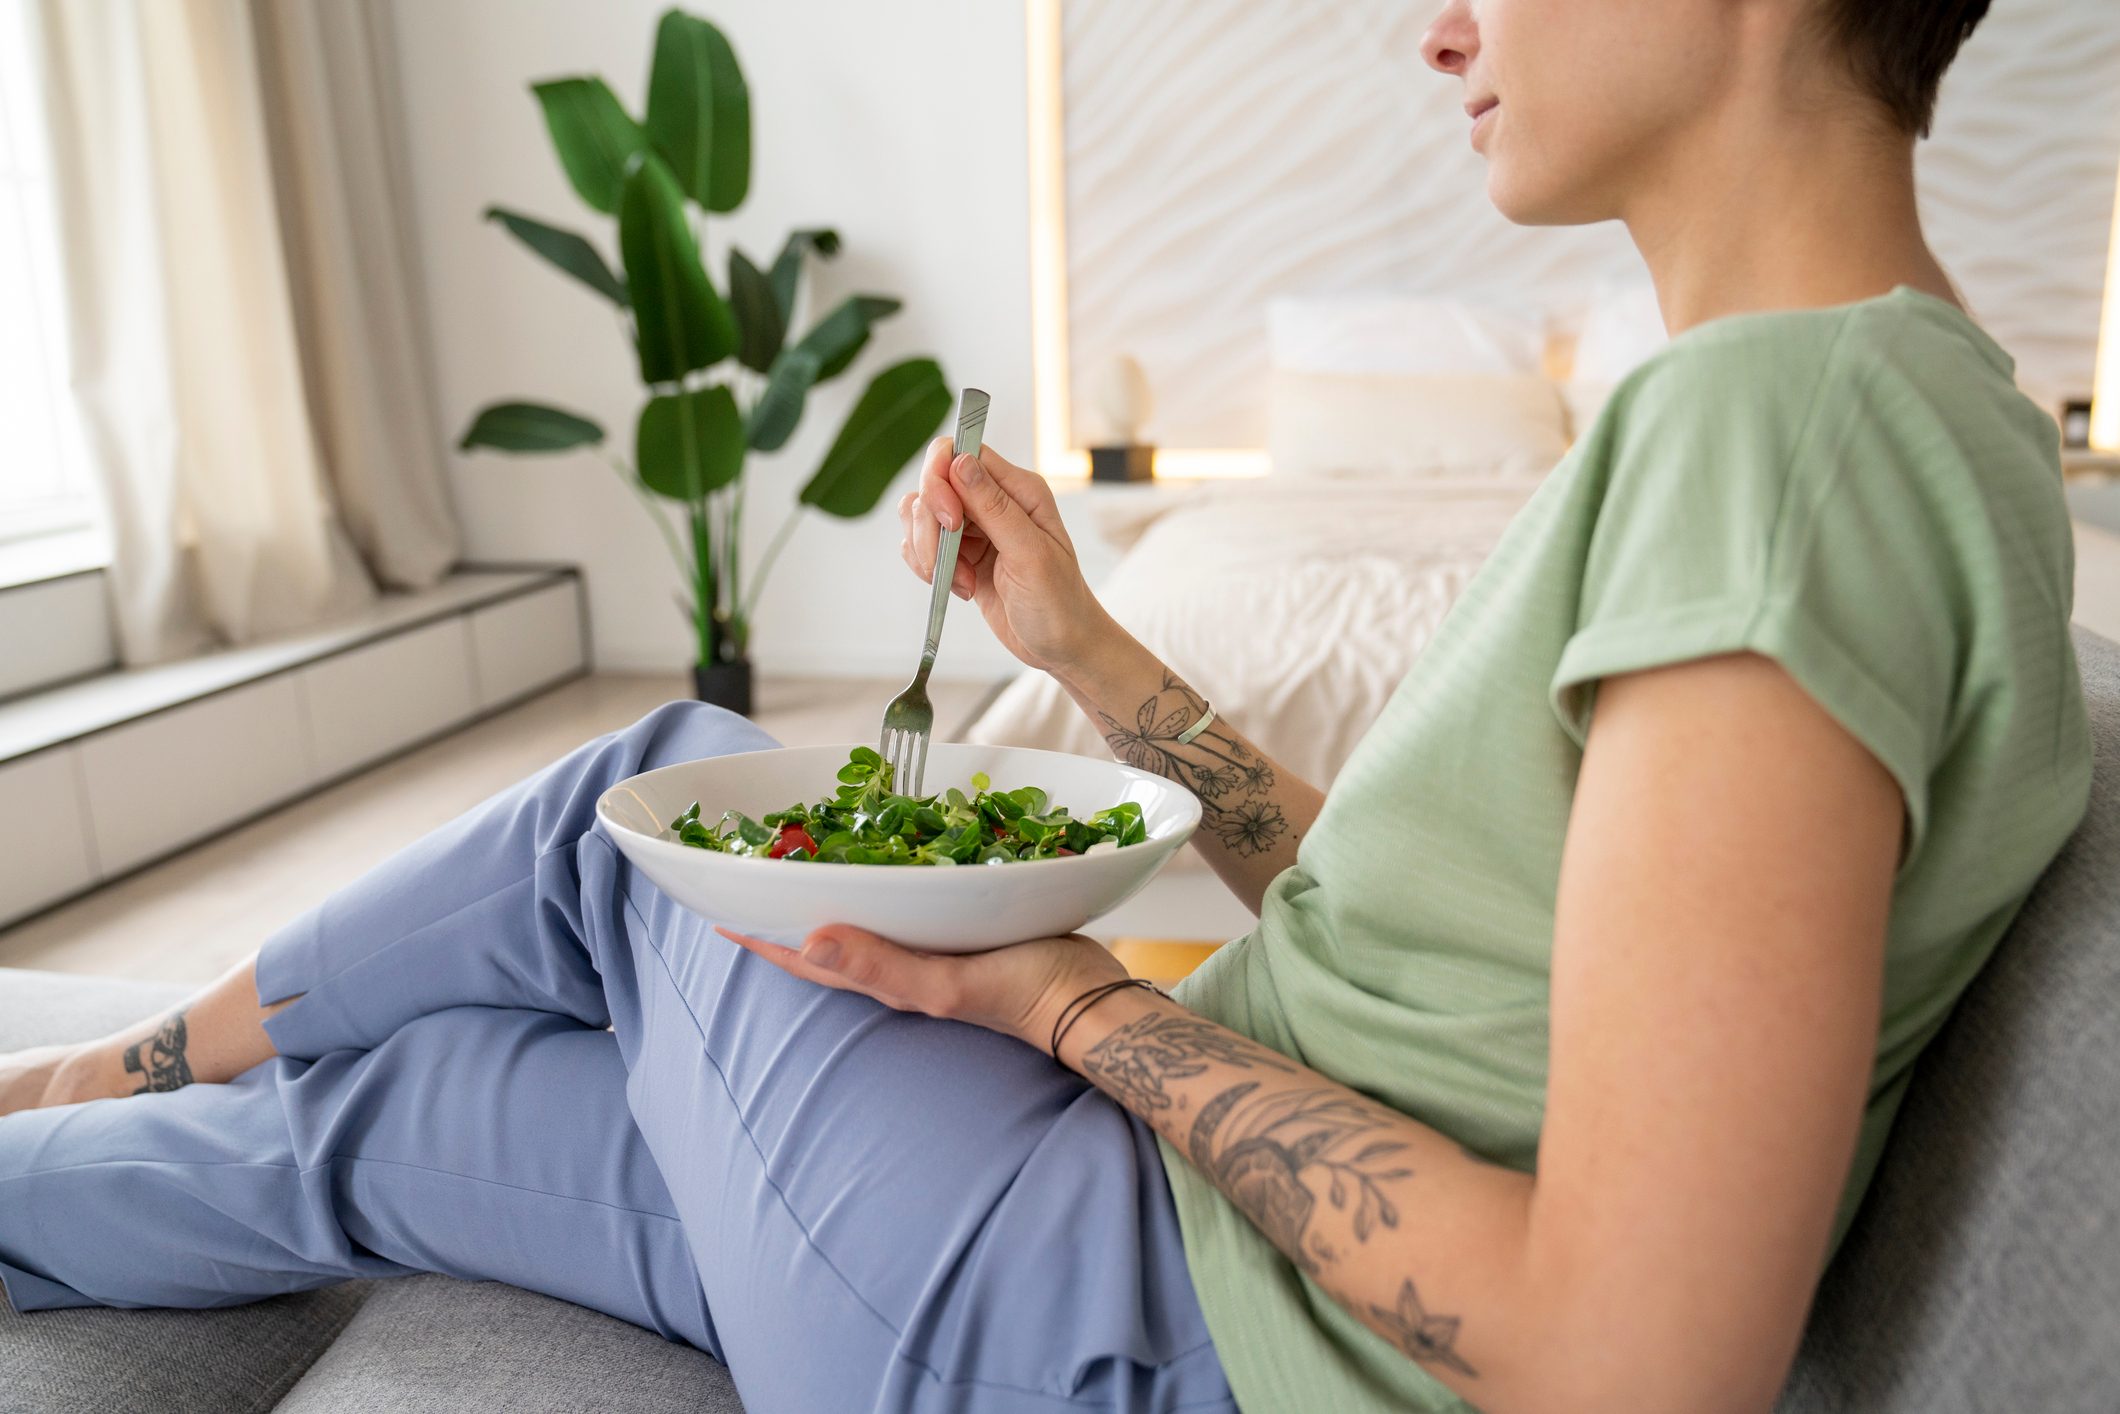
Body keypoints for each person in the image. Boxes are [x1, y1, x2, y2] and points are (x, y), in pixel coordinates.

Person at [0, 0, 2091, 1408]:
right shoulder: (1880, 411)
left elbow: (1640, 1358)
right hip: (1117, 1261)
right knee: (394, 1115)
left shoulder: (1781, 434)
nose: (1437, 25)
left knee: (660, 796)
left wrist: (1074, 1006)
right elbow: (1425, 936)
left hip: (1139, 1318)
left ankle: (101, 1054)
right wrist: (1087, 653)